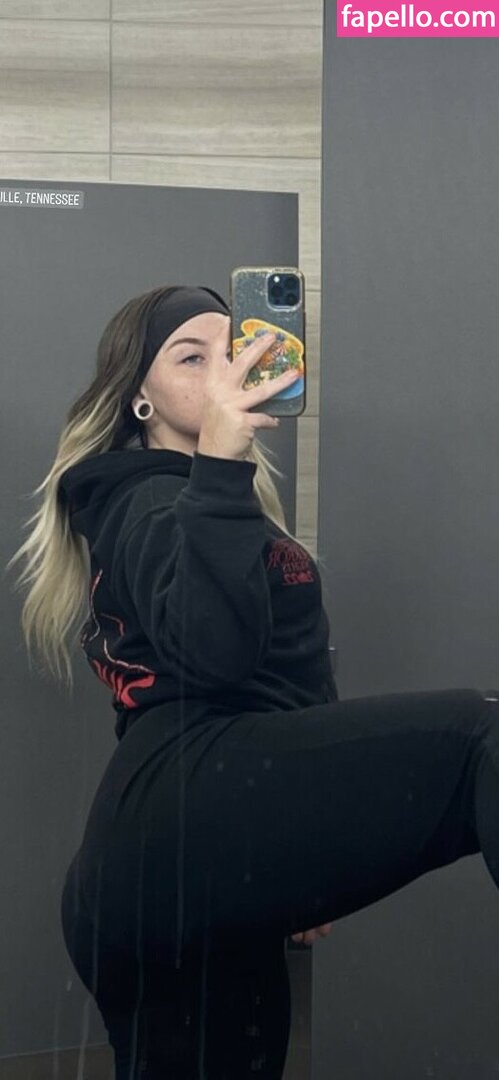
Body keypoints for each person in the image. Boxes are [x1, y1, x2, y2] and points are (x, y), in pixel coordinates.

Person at [7, 283, 499, 1079]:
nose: (223, 368)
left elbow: (281, 671)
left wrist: (312, 837)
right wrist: (219, 463)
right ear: (139, 396)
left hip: (192, 843)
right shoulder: (144, 496)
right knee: (482, 736)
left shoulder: (213, 500)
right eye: (189, 356)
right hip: (182, 812)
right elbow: (215, 657)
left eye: (232, 350)